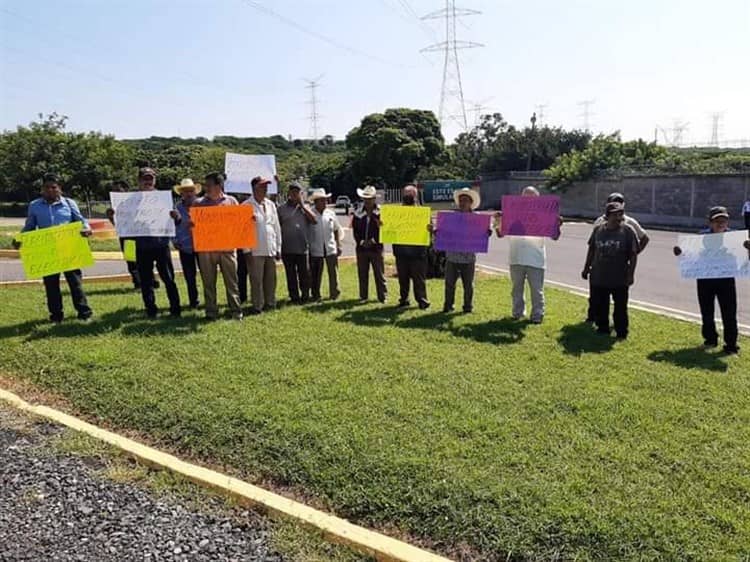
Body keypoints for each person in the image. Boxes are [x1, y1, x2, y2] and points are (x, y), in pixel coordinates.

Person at [14, 173, 94, 323]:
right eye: (47, 187)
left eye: (54, 187)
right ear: (42, 189)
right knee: (51, 285)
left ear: (60, 189)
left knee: (75, 283)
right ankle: (56, 316)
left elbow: (81, 221)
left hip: (69, 248)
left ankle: (84, 313)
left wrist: (87, 229)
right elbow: (30, 227)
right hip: (47, 251)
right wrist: (20, 238)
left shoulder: (69, 204)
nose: (50, 190)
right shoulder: (35, 205)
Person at [673, 206, 750, 355]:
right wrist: (680, 252)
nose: (721, 223)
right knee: (706, 311)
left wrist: (748, 249)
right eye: (717, 221)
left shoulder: (736, 238)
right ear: (710, 222)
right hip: (705, 280)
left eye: (724, 220)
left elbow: (745, 261)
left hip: (726, 280)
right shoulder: (701, 238)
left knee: (729, 313)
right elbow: (690, 257)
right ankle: (710, 339)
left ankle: (731, 344)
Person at [109, 167, 181, 318]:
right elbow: (122, 225)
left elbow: (177, 220)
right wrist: (111, 216)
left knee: (168, 279)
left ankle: (175, 309)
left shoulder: (163, 198)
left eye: (150, 178)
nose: (148, 181)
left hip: (161, 245)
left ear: (154, 180)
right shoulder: (129, 201)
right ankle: (151, 310)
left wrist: (176, 216)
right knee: (146, 282)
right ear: (139, 180)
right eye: (144, 178)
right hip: (141, 247)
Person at [495, 186, 560, 323]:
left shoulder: (544, 215)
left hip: (535, 259)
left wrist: (557, 225)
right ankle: (518, 313)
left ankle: (537, 315)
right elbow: (500, 234)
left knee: (537, 291)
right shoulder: (512, 214)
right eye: (526, 197)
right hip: (516, 257)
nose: (528, 200)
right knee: (516, 289)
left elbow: (555, 236)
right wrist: (499, 221)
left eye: (532, 197)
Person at [586, 192, 649, 322]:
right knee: (597, 298)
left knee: (619, 303)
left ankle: (619, 327)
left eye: (620, 201)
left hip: (618, 272)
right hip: (599, 270)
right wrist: (587, 267)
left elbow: (644, 238)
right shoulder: (599, 223)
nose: (617, 216)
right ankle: (593, 318)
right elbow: (593, 247)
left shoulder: (629, 224)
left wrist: (631, 254)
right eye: (613, 201)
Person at [581, 201, 639, 339]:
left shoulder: (627, 231)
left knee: (620, 307)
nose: (619, 217)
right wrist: (586, 268)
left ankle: (621, 331)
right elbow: (591, 249)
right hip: (599, 276)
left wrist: (631, 274)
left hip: (619, 277)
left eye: (621, 213)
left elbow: (633, 254)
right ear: (607, 216)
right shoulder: (598, 230)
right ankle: (603, 328)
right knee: (601, 304)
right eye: (616, 214)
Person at [191, 172, 243, 320]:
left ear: (219, 186)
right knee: (208, 282)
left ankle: (236, 311)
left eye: (209, 185)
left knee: (232, 282)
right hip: (206, 250)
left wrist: (247, 221)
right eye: (205, 185)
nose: (206, 188)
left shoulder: (232, 201)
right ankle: (211, 312)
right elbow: (193, 227)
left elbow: (239, 224)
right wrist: (192, 225)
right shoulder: (198, 203)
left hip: (227, 249)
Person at [439, 187, 485, 313]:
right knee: (449, 284)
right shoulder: (451, 217)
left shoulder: (477, 218)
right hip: (452, 256)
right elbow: (442, 233)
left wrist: (487, 232)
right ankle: (448, 306)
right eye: (461, 200)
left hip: (469, 257)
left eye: (465, 200)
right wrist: (435, 231)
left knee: (468, 285)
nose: (463, 202)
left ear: (471, 202)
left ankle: (468, 307)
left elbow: (484, 234)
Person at [242, 176, 281, 314]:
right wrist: (246, 251)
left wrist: (278, 247)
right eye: (262, 186)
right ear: (254, 188)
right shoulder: (246, 205)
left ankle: (270, 303)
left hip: (270, 246)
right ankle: (257, 305)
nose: (265, 189)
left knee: (271, 278)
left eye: (266, 187)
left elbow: (276, 226)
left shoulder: (270, 204)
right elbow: (242, 231)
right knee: (256, 279)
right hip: (255, 249)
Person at [392, 184, 431, 309]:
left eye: (411, 195)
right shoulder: (396, 214)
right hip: (401, 252)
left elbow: (431, 228)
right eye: (406, 195)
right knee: (402, 278)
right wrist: (383, 225)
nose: (408, 198)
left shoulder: (423, 213)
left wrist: (430, 228)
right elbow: (389, 228)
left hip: (418, 253)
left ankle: (422, 301)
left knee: (419, 279)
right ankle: (404, 300)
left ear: (415, 196)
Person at [277, 181, 315, 304]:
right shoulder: (281, 209)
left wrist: (302, 206)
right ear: (289, 193)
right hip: (287, 248)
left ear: (301, 194)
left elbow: (314, 220)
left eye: (297, 192)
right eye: (292, 192)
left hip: (303, 248)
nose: (295, 195)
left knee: (305, 273)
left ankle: (305, 295)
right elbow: (277, 226)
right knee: (291, 274)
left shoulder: (306, 208)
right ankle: (294, 297)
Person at [351, 185, 387, 304]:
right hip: (361, 249)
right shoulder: (357, 213)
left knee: (379, 273)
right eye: (365, 198)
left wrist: (373, 241)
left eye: (370, 198)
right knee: (362, 273)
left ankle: (382, 297)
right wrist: (361, 242)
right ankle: (363, 296)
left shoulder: (381, 212)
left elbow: (384, 230)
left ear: (374, 199)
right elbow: (355, 230)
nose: (367, 201)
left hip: (376, 248)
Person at [169, 178, 201, 309]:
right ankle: (194, 301)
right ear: (181, 193)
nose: (188, 194)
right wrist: (175, 241)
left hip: (202, 245)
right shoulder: (176, 208)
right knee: (189, 276)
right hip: (185, 246)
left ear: (195, 192)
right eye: (185, 191)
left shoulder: (202, 206)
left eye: (191, 191)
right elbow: (171, 226)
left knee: (207, 275)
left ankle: (210, 300)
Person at [108, 179, 145, 290]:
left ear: (126, 190)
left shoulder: (136, 201)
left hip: (140, 236)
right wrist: (111, 216)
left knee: (144, 260)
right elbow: (117, 224)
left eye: (118, 190)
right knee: (132, 261)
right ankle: (138, 283)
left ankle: (151, 281)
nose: (116, 193)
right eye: (114, 191)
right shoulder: (114, 207)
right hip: (126, 237)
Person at [308, 188, 343, 301]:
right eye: (322, 200)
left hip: (330, 247)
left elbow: (336, 229)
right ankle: (316, 294)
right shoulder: (310, 213)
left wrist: (338, 245)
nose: (325, 202)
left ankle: (335, 293)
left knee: (333, 273)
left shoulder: (331, 213)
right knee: (316, 274)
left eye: (325, 200)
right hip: (316, 248)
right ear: (316, 201)